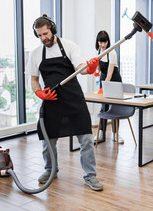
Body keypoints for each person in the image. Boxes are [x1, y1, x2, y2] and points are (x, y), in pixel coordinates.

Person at [26, 14, 103, 191]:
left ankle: (90, 176)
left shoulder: (69, 46)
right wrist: (39, 92)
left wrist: (90, 68)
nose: (43, 38)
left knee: (86, 140)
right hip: (51, 102)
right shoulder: (36, 54)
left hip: (74, 100)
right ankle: (50, 169)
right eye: (39, 35)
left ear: (52, 29)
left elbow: (81, 70)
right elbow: (34, 79)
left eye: (45, 33)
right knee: (47, 141)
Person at [93, 30, 124, 144]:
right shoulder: (98, 52)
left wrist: (104, 87)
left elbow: (110, 73)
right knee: (103, 107)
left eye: (104, 42)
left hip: (114, 81)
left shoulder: (111, 52)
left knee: (115, 108)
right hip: (104, 80)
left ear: (108, 42)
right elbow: (100, 69)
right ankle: (101, 132)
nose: (102, 45)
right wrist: (97, 73)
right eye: (100, 42)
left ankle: (116, 134)